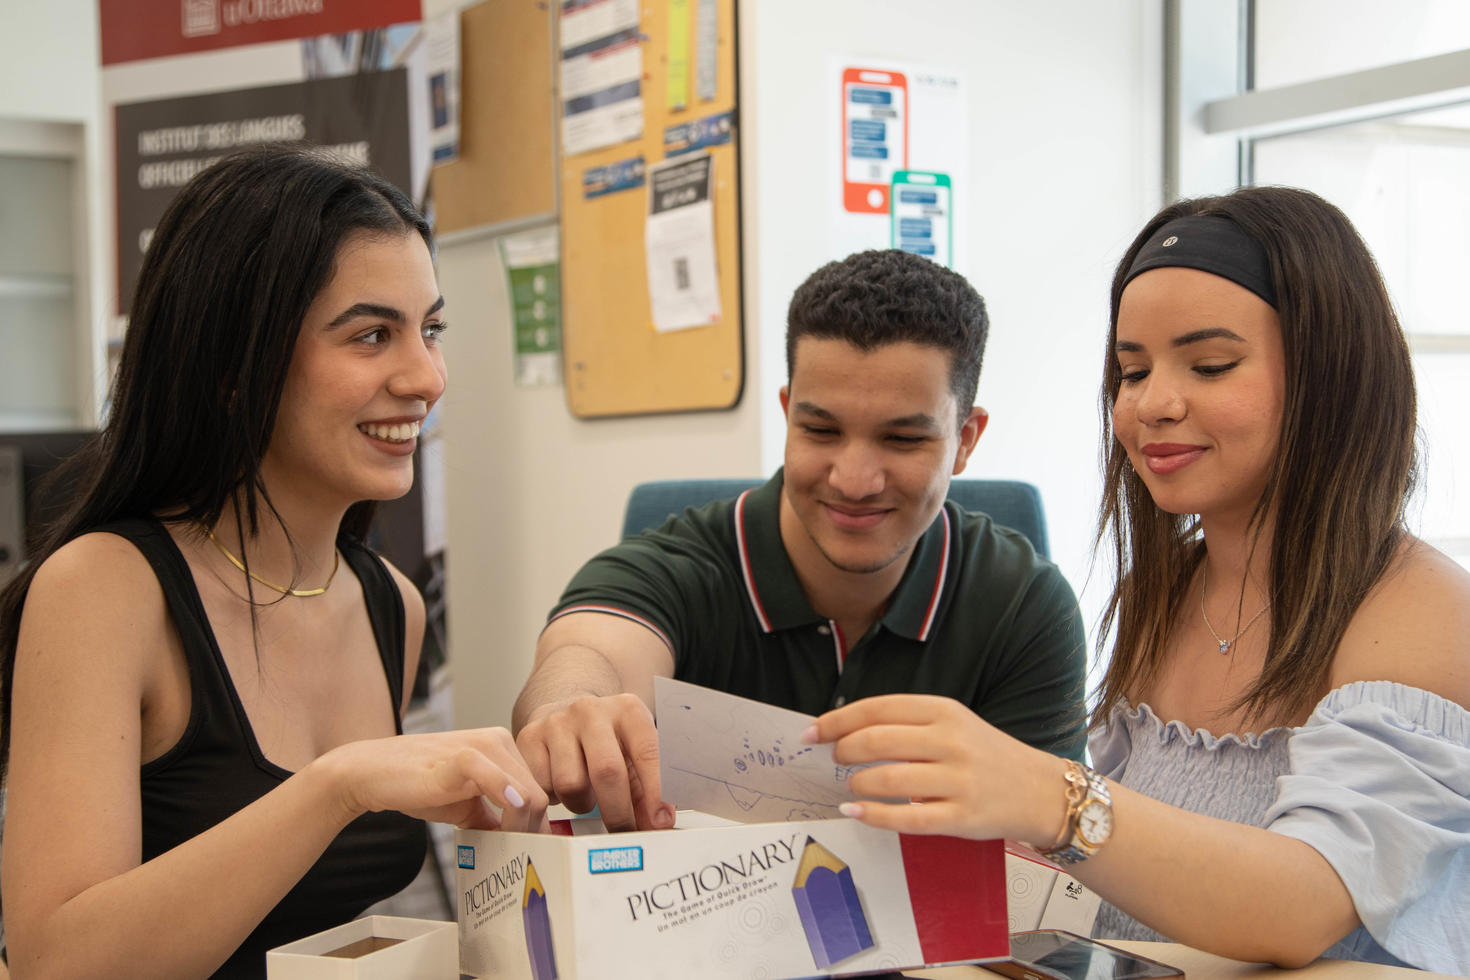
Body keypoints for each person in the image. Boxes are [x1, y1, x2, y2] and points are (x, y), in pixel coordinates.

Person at [806, 187, 1470, 973]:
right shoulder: (1172, 592)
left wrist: (1049, 794)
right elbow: (1127, 877)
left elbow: (1306, 904)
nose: (1151, 404)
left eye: (1210, 365)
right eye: (1131, 371)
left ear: (1331, 377)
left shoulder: (1424, 612)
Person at [0, 145, 548, 979]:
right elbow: (54, 961)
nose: (427, 377)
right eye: (372, 335)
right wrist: (339, 785)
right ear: (232, 366)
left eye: (431, 330)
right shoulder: (103, 589)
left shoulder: (389, 604)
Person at [513, 249, 1088, 833]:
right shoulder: (674, 567)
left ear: (965, 439)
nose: (854, 481)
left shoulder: (1025, 605)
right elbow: (590, 655)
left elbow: (1041, 851)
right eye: (821, 430)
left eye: (902, 440)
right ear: (788, 415)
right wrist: (571, 707)